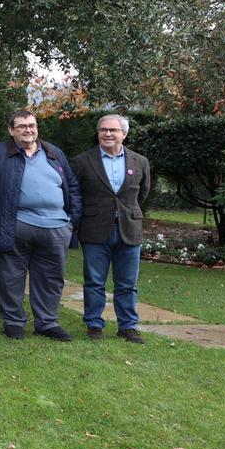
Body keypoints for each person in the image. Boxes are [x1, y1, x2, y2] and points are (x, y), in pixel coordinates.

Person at [0, 110, 82, 341]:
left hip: (56, 227)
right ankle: (13, 322)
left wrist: (71, 221)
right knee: (9, 276)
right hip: (15, 225)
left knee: (51, 278)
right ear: (11, 130)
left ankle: (47, 323)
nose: (28, 130)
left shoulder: (53, 152)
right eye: (21, 126)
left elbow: (72, 186)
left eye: (32, 125)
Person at [70, 114, 151, 343]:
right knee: (94, 282)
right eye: (103, 130)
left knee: (127, 283)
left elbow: (142, 193)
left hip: (129, 229)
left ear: (124, 134)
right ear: (97, 133)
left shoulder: (139, 162)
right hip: (94, 229)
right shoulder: (81, 161)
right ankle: (94, 325)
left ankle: (128, 326)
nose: (107, 134)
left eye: (113, 130)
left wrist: (126, 212)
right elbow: (74, 194)